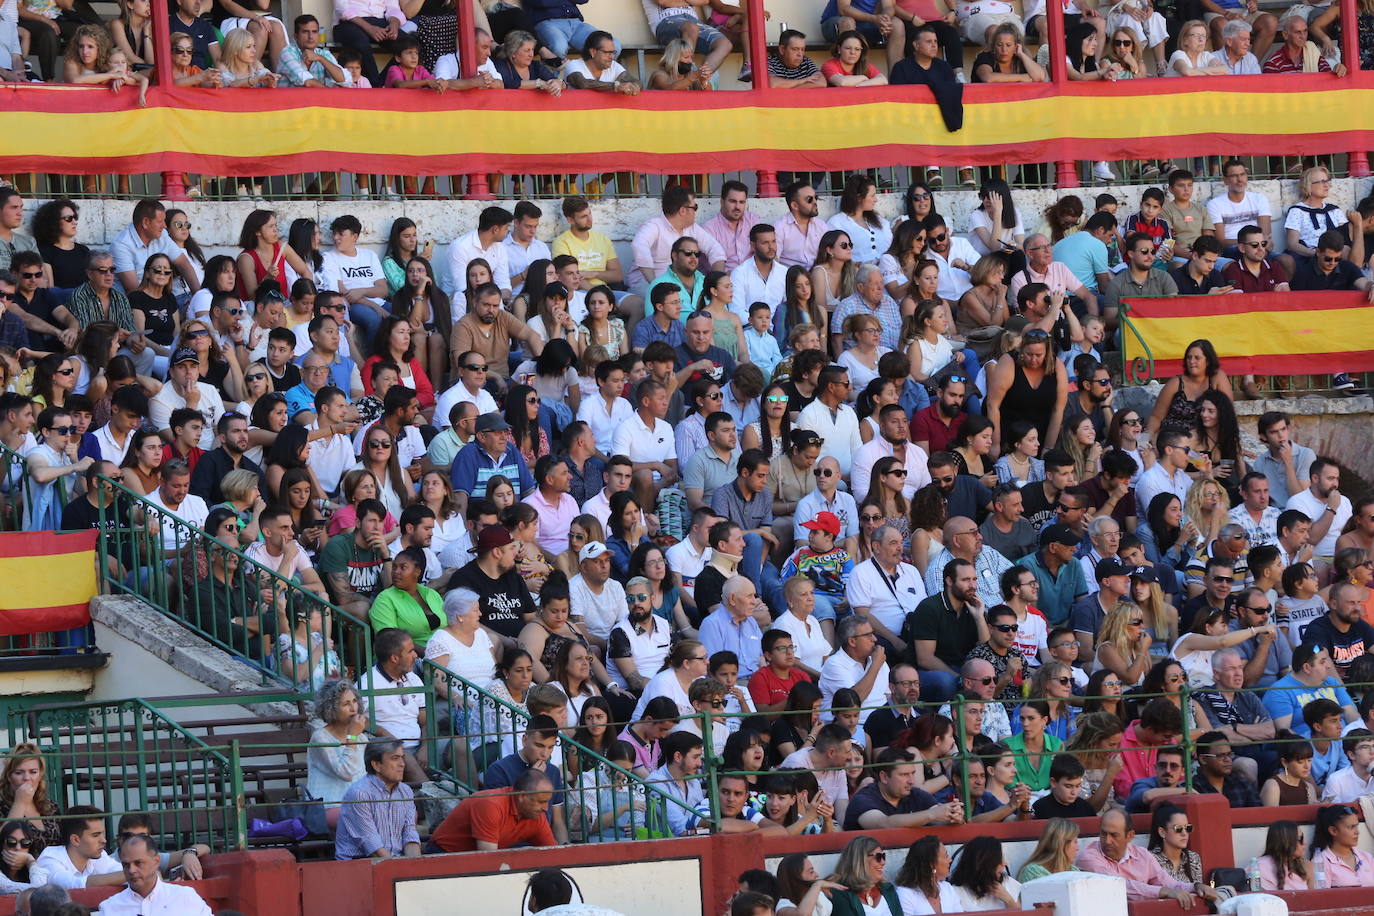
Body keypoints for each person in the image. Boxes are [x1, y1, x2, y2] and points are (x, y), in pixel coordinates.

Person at [1076, 807, 1216, 903]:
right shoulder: (1089, 856)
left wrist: (1195, 886)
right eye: (1103, 833)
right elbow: (1118, 886)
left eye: (1114, 835)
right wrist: (1164, 892)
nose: (1107, 840)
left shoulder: (1142, 855)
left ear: (1130, 836)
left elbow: (1167, 882)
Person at [334, 739, 421, 860]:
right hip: (359, 864)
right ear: (376, 765)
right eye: (395, 758)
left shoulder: (405, 791)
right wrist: (401, 871)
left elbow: (410, 834)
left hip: (393, 862)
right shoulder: (359, 794)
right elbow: (372, 846)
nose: (402, 764)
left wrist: (415, 865)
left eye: (402, 757)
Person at [97, 834, 212, 915]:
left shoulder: (185, 897)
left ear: (156, 861)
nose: (131, 870)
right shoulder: (109, 908)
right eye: (126, 865)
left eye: (138, 863)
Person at [827, 835, 902, 916]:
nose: (883, 862)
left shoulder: (888, 889)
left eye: (883, 856)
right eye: (878, 857)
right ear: (860, 861)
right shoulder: (841, 894)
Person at [1310, 803, 1374, 886]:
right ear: (1333, 831)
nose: (1357, 832)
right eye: (1351, 827)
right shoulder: (1320, 861)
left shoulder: (1367, 857)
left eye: (1356, 826)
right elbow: (1321, 895)